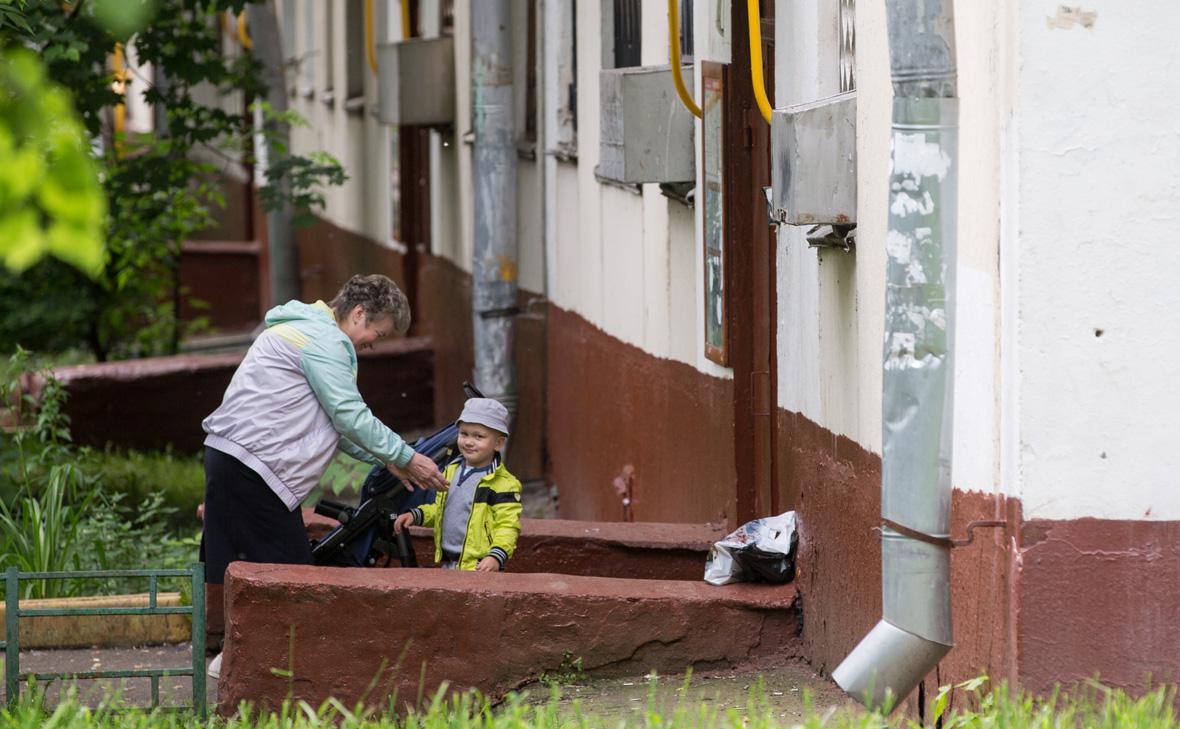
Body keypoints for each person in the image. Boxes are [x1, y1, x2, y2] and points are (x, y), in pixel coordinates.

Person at [200, 274, 448, 678]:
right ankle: (248, 666)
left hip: (236, 459)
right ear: (359, 313)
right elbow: (349, 415)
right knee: (289, 576)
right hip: (254, 467)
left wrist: (389, 459)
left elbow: (335, 425)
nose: (372, 344)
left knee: (258, 568)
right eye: (377, 334)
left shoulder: (305, 329)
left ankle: (236, 658)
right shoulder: (325, 341)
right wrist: (406, 456)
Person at [393, 398, 522, 571]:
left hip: (480, 568)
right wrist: (417, 515)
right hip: (449, 563)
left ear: (498, 443)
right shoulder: (451, 471)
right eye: (464, 434)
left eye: (478, 436)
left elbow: (507, 526)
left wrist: (496, 556)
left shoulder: (503, 484)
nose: (468, 441)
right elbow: (442, 510)